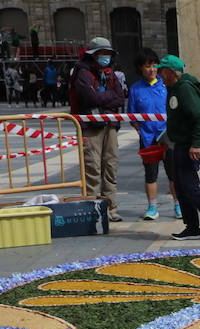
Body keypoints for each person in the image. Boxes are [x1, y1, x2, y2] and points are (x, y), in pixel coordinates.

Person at [158, 54, 200, 241]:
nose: (160, 76)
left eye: (162, 72)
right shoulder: (174, 89)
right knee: (180, 186)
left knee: (189, 186)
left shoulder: (185, 89)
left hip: (189, 146)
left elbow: (199, 117)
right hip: (179, 144)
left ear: (172, 72)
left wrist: (196, 145)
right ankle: (192, 227)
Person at [70, 37, 125, 221]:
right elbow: (90, 98)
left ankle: (111, 208)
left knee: (111, 166)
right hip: (90, 126)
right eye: (102, 54)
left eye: (108, 54)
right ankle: (93, 210)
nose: (105, 57)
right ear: (92, 55)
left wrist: (103, 96)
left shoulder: (111, 73)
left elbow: (120, 97)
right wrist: (107, 97)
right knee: (92, 168)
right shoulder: (82, 73)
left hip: (110, 125)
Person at [129, 48, 180, 221]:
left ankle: (178, 205)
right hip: (148, 138)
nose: (152, 69)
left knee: (173, 173)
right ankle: (152, 207)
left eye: (154, 65)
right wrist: (141, 130)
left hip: (168, 136)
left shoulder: (166, 85)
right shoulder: (135, 90)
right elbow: (132, 116)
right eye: (147, 66)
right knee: (151, 174)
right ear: (140, 68)